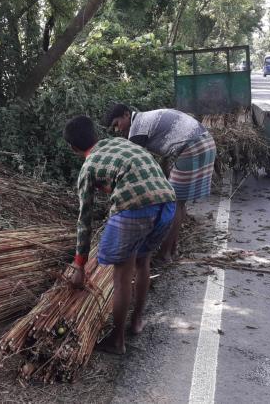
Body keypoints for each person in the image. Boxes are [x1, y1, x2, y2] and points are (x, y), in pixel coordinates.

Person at [63, 115, 176, 354]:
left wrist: (80, 266)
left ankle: (117, 340)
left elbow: (84, 221)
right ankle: (136, 322)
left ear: (73, 147)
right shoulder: (122, 143)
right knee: (142, 262)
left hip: (136, 208)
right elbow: (138, 174)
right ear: (95, 134)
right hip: (168, 201)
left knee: (122, 275)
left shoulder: (88, 167)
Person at [103, 103, 216, 263]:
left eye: (117, 124)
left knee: (174, 202)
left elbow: (135, 169)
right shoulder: (145, 120)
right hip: (203, 142)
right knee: (179, 202)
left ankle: (165, 254)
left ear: (127, 114)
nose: (117, 130)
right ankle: (172, 248)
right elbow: (163, 154)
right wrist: (163, 181)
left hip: (194, 147)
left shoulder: (137, 130)